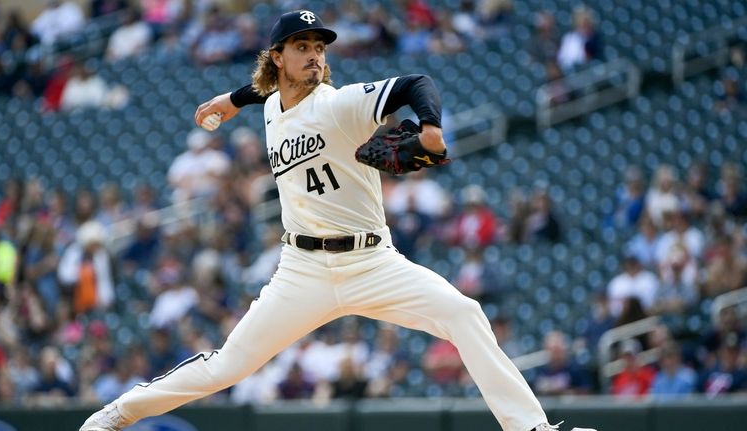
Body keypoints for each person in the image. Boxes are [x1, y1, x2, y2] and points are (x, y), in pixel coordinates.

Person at [80, 10, 595, 431]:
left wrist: (432, 130)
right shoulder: (272, 107)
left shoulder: (341, 104)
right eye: (302, 46)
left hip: (372, 261)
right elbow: (266, 93)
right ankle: (118, 413)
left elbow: (417, 81)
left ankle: (531, 429)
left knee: (463, 313)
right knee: (227, 367)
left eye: (320, 47)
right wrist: (232, 101)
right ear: (278, 57)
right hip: (301, 269)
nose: (315, 55)